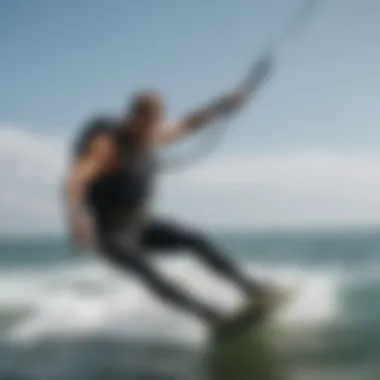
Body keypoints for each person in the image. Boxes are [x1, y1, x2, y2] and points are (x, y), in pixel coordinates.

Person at [64, 87, 269, 336]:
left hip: (140, 223)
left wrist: (222, 106)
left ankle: (253, 290)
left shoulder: (149, 136)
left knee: (197, 240)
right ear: (133, 117)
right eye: (147, 122)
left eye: (156, 122)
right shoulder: (106, 146)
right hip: (110, 233)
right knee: (147, 270)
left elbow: (187, 125)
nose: (153, 129)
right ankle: (213, 318)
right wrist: (77, 216)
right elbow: (76, 179)